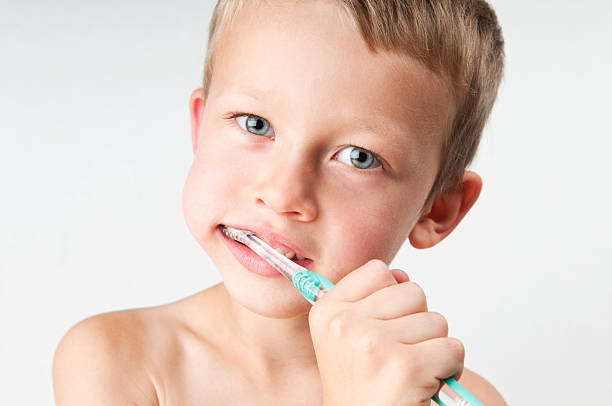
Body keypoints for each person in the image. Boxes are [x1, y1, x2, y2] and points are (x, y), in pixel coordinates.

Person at [52, 0, 507, 404]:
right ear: (200, 127)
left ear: (437, 208)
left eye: (358, 157)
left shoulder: (457, 397)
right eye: (254, 124)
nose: (282, 194)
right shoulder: (116, 362)